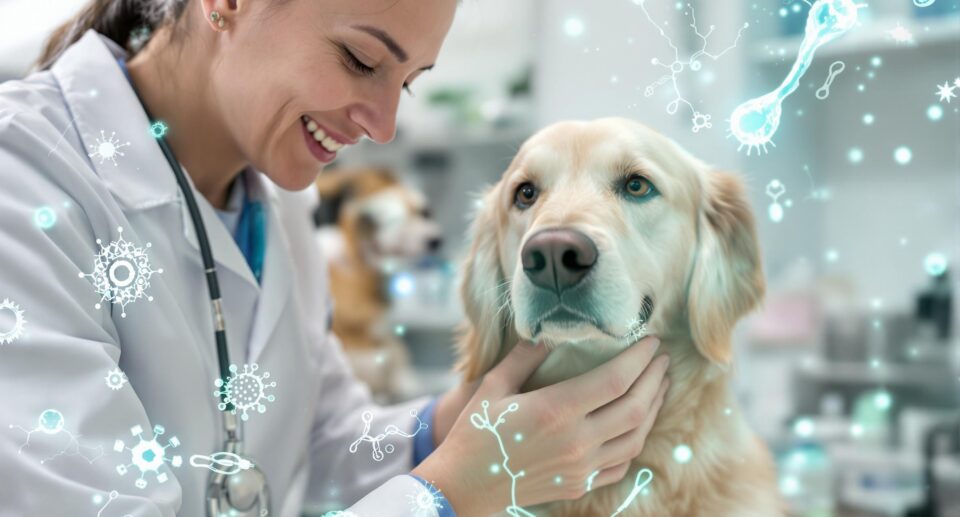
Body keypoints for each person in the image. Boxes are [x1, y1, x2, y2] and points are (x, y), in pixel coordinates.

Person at [0, 0, 670, 515]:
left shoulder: (281, 204)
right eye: (360, 60)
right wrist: (452, 492)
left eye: (406, 83)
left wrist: (461, 419)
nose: (381, 125)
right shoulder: (23, 177)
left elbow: (323, 443)